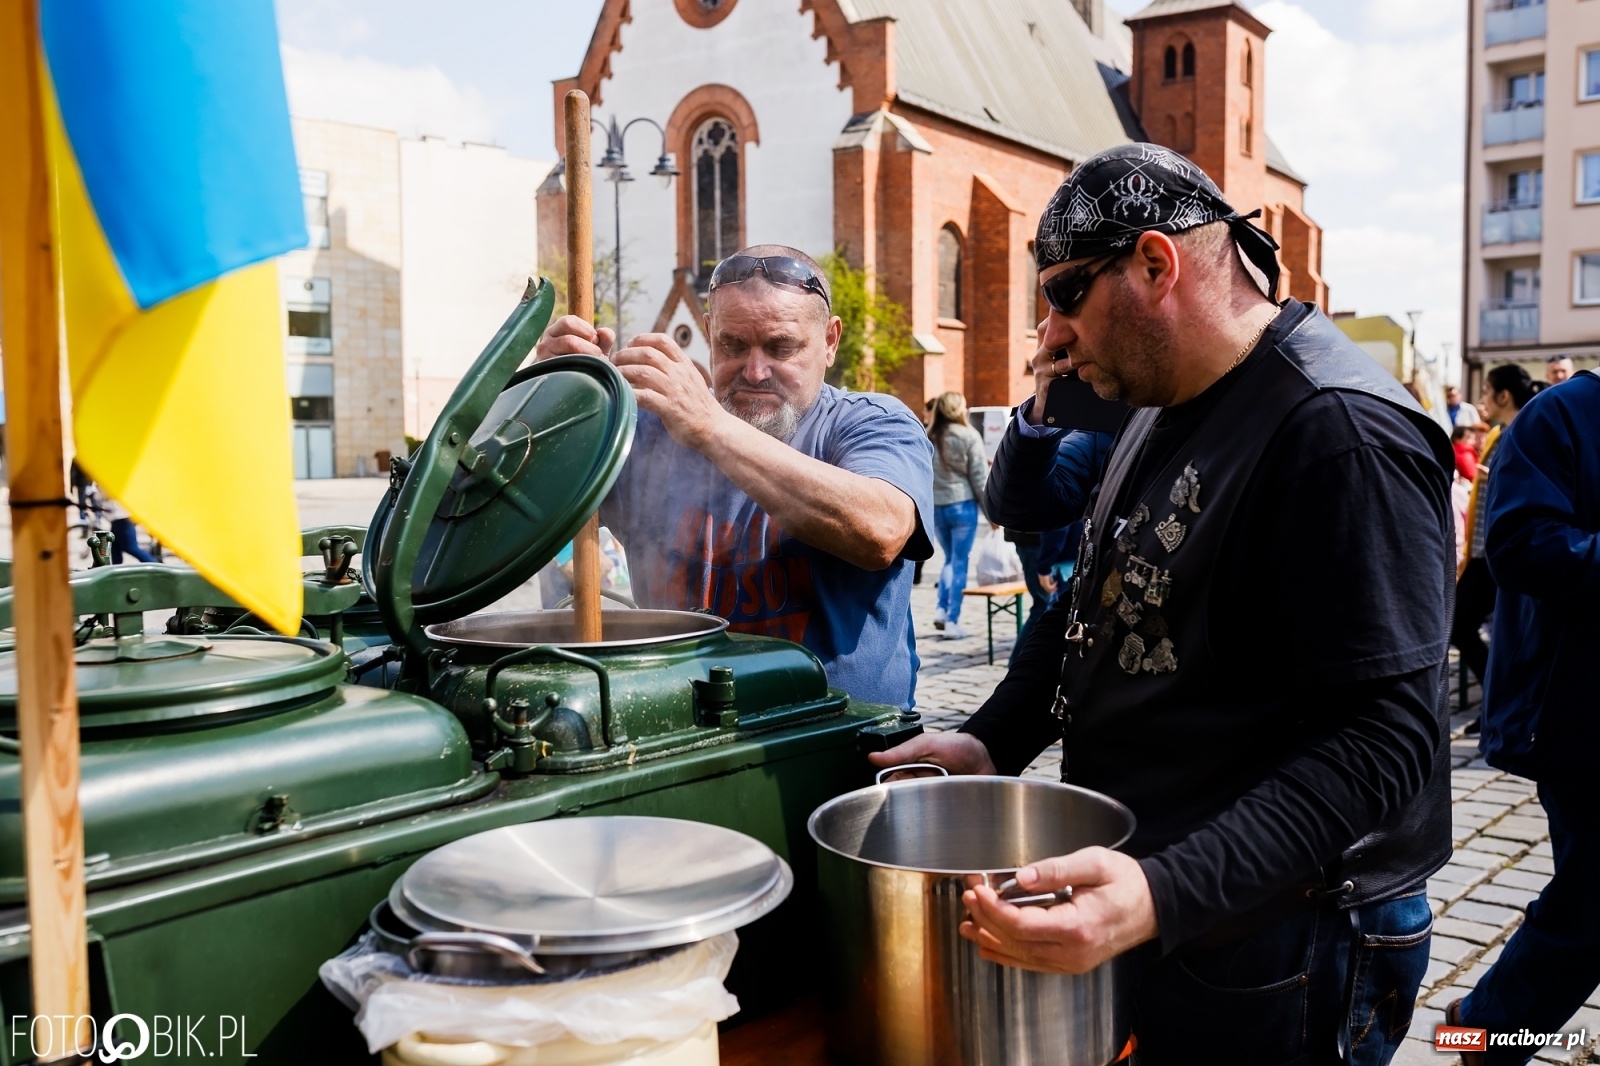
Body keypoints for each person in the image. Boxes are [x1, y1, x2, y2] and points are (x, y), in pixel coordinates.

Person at [871, 144, 1454, 1065]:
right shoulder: (1153, 399)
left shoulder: (1338, 433)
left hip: (1293, 929)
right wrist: (992, 739)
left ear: (1155, 262)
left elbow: (1383, 739)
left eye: (1064, 293)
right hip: (1174, 892)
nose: (1049, 337)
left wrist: (1161, 894)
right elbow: (1093, 604)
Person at [534, 245, 934, 711]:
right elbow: (520, 522)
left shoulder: (869, 422)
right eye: (733, 345)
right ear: (708, 333)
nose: (755, 371)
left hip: (841, 738)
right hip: (679, 731)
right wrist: (550, 404)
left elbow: (880, 531)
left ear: (829, 340)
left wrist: (709, 426)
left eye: (781, 347)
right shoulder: (649, 434)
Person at [1446, 369, 1600, 1065]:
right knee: (1592, 904)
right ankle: (1483, 1033)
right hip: (1581, 718)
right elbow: (1520, 545)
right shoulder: (1562, 416)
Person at [1453, 364, 1535, 706]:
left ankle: (1498, 701)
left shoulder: (1521, 432)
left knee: (1463, 625)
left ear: (1504, 395)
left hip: (1493, 551)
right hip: (1485, 549)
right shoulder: (1504, 432)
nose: (1483, 399)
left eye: (1487, 391)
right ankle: (1496, 701)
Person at [928, 392, 987, 640]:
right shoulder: (968, 435)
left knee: (949, 559)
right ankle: (952, 620)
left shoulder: (928, 435)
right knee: (959, 562)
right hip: (962, 505)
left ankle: (941, 610)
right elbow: (979, 478)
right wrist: (990, 512)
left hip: (937, 505)